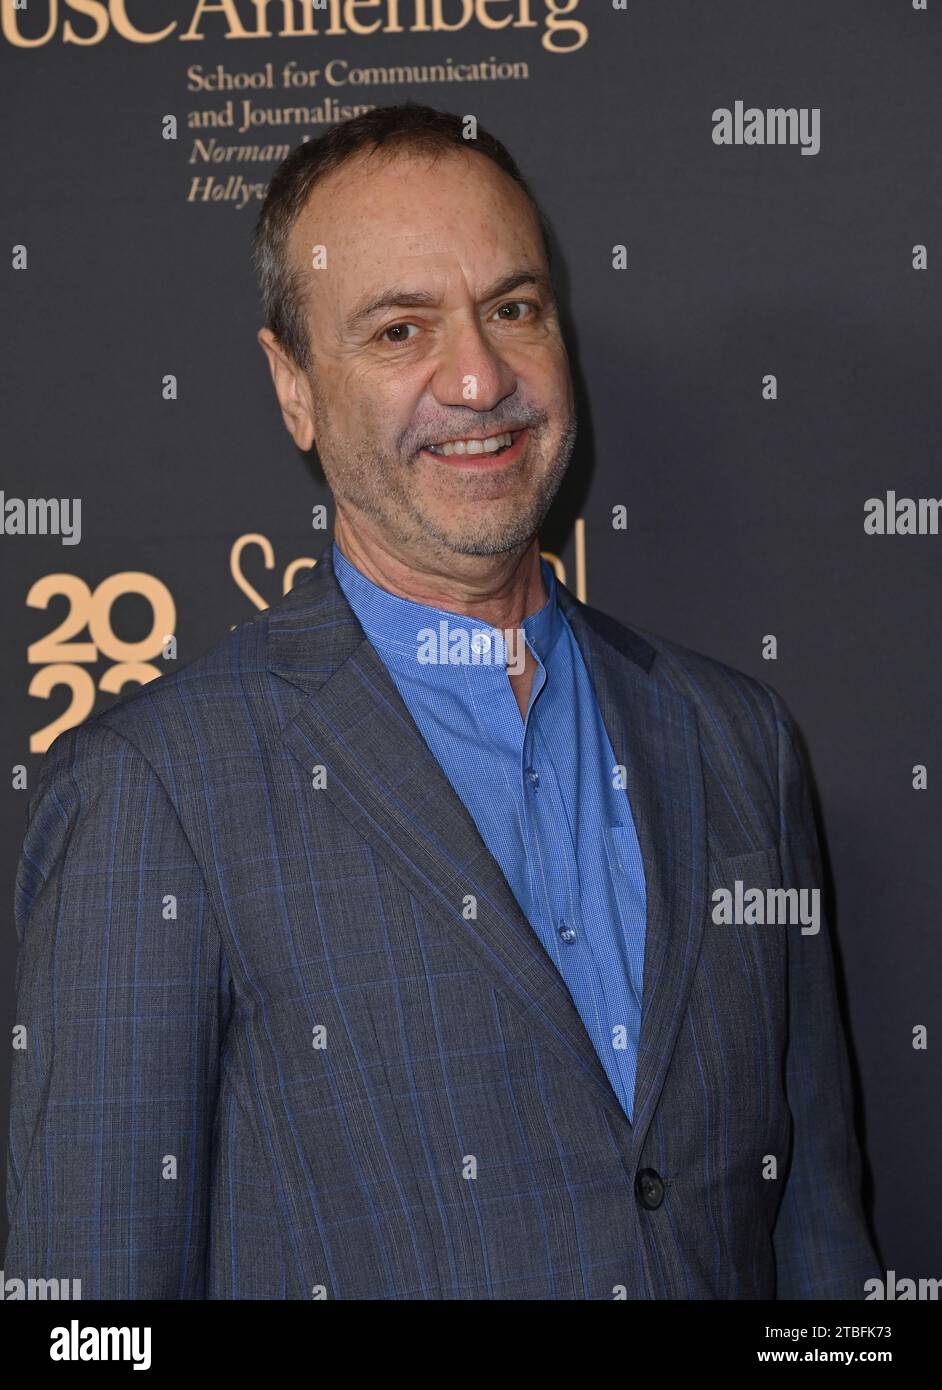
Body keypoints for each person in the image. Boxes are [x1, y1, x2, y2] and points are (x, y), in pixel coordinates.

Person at [4, 103, 880, 1299]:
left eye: (513, 308)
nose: (478, 376)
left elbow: (817, 1247)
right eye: (399, 328)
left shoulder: (736, 743)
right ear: (295, 387)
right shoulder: (156, 793)